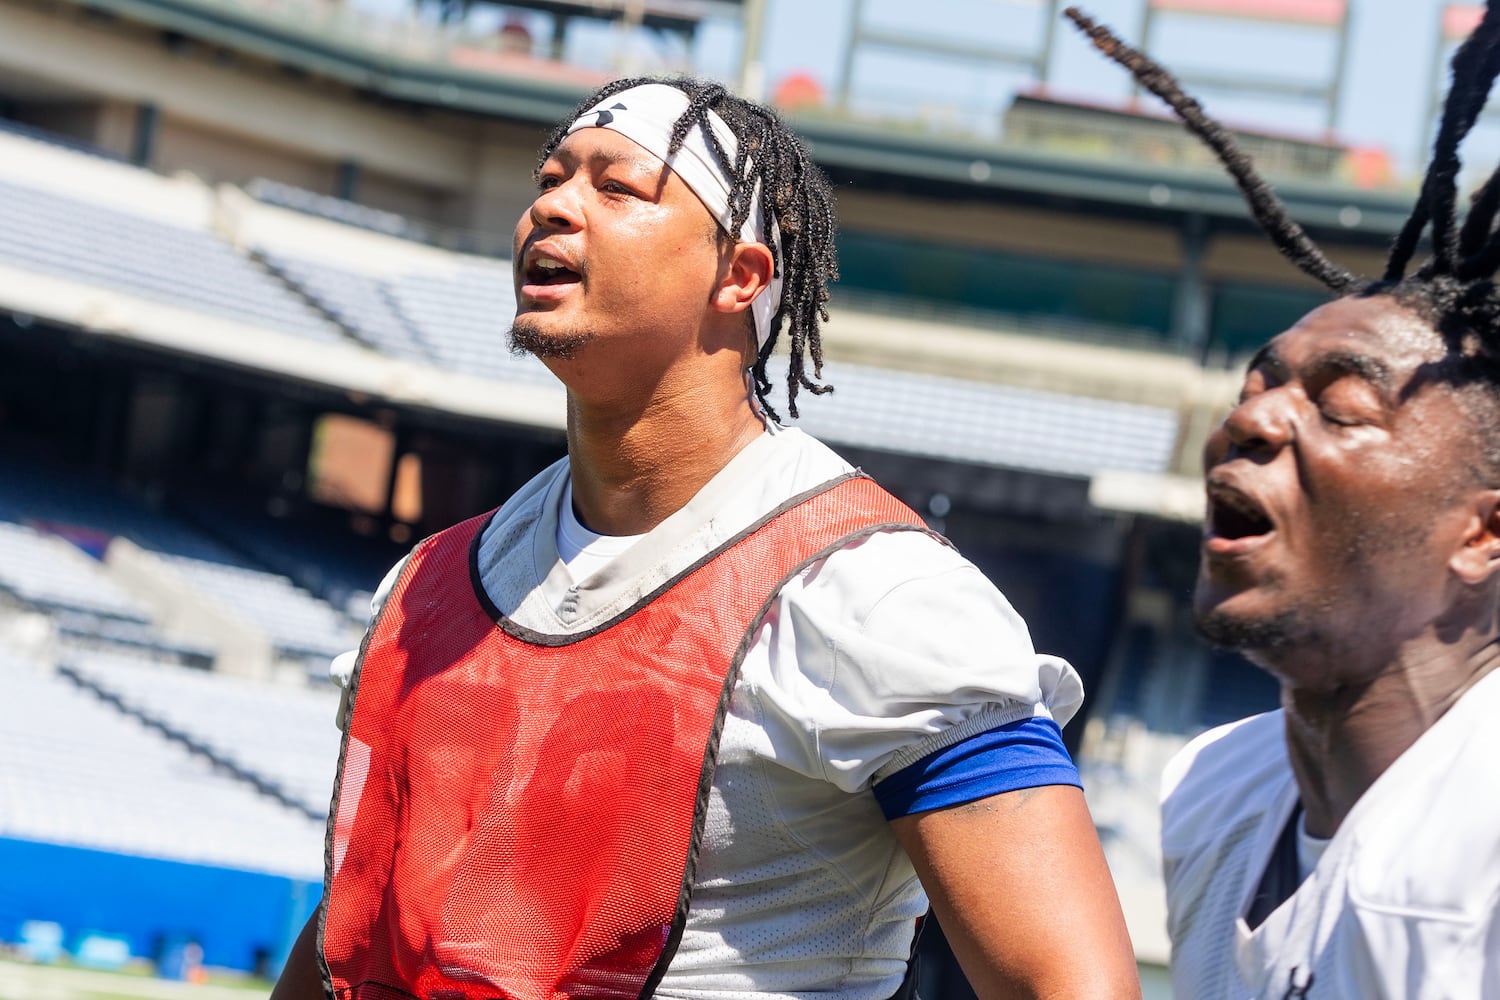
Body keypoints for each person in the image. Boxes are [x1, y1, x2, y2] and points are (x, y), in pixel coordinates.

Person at [270, 77, 1140, 1000]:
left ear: (741, 276)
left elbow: (1069, 984)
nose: (553, 206)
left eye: (617, 189)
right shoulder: (427, 584)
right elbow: (357, 929)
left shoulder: (874, 592)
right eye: (552, 178)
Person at [1066, 6, 1500, 997]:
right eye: (1256, 385)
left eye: (1341, 406)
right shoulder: (1216, 790)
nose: (1254, 422)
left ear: (1483, 532)